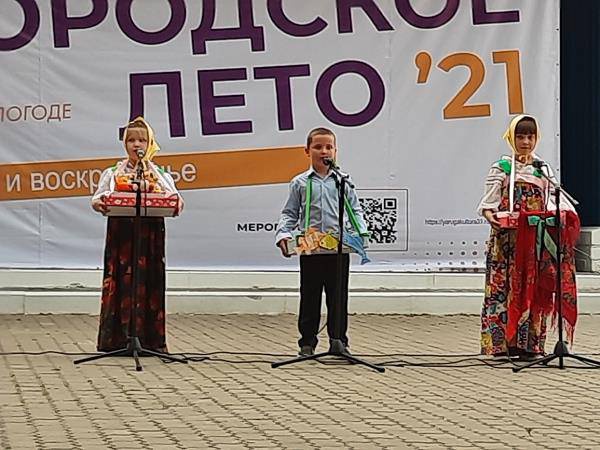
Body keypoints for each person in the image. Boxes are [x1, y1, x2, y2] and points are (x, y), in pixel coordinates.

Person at [478, 114, 579, 360]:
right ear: (511, 138)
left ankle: (530, 345)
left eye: (530, 137)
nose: (525, 142)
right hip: (507, 243)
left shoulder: (542, 169)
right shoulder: (501, 168)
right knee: (504, 289)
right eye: (520, 136)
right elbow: (488, 204)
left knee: (532, 288)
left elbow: (555, 201)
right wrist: (492, 217)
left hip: (535, 241)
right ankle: (502, 346)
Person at [91, 117, 183, 352]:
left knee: (149, 280)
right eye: (131, 140)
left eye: (141, 140)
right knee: (121, 280)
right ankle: (117, 340)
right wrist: (100, 203)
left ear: (149, 143)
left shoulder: (159, 174)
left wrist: (173, 203)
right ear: (125, 144)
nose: (136, 145)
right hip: (121, 234)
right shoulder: (113, 172)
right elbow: (97, 198)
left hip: (149, 234)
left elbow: (176, 199)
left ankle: (149, 340)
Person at [275, 127, 369, 356]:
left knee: (338, 296)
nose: (324, 151)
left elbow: (355, 209)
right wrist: (283, 234)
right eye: (318, 147)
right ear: (307, 151)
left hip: (338, 247)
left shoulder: (343, 181)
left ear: (335, 151)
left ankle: (338, 340)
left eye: (329, 147)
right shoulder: (300, 182)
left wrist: (361, 232)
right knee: (310, 294)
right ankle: (307, 342)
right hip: (310, 247)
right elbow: (290, 213)